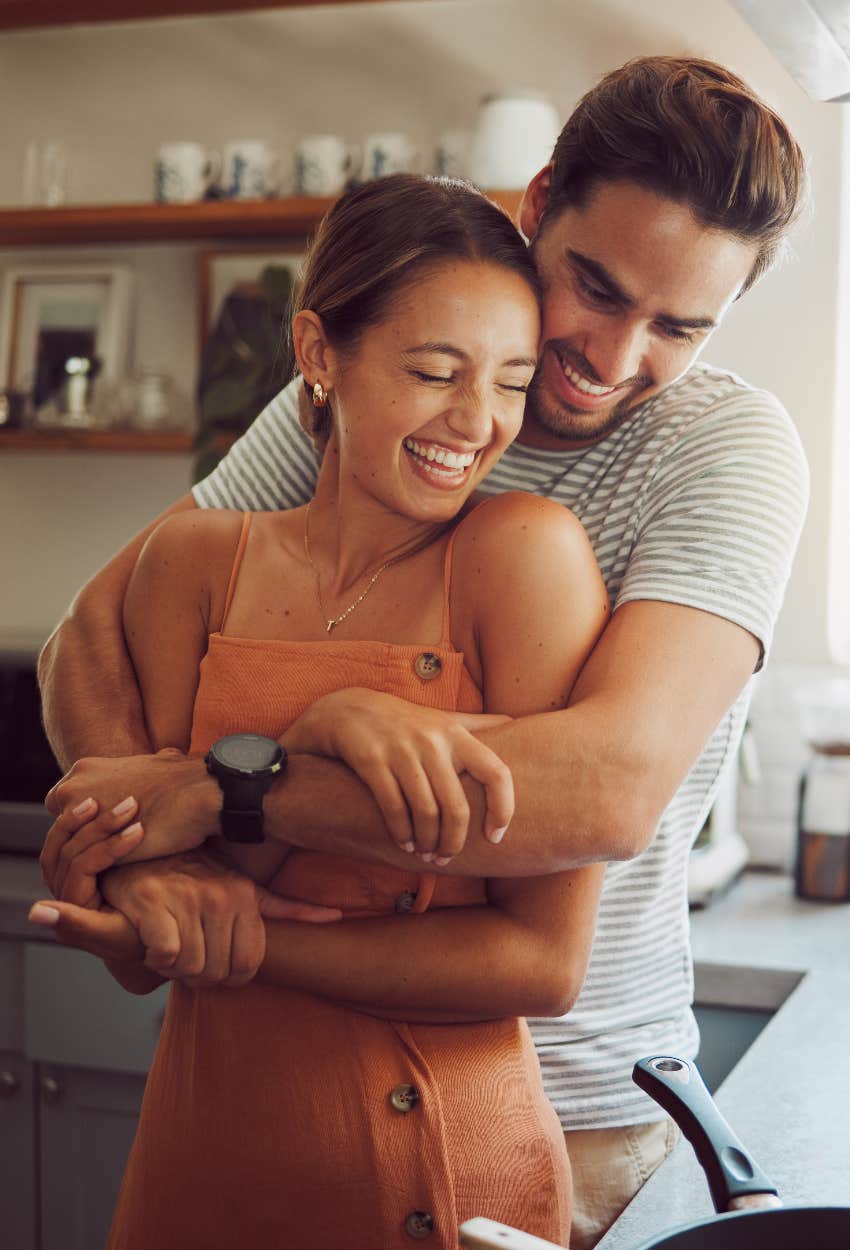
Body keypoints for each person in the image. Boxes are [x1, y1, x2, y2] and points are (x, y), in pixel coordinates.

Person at [34, 55, 809, 1250]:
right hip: (276, 1075)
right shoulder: (398, 385)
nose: (611, 354)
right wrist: (144, 867)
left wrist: (231, 788)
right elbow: (93, 633)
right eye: (595, 288)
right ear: (538, 204)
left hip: (580, 1115)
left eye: (678, 327)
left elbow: (603, 786)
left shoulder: (724, 451)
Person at [34, 174, 610, 1249]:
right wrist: (153, 868)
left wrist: (244, 938)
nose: (476, 420)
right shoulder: (192, 564)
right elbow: (146, 947)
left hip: (444, 1172)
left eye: (511, 382)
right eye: (435, 370)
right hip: (201, 1163)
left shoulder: (522, 556)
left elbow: (542, 964)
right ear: (317, 353)